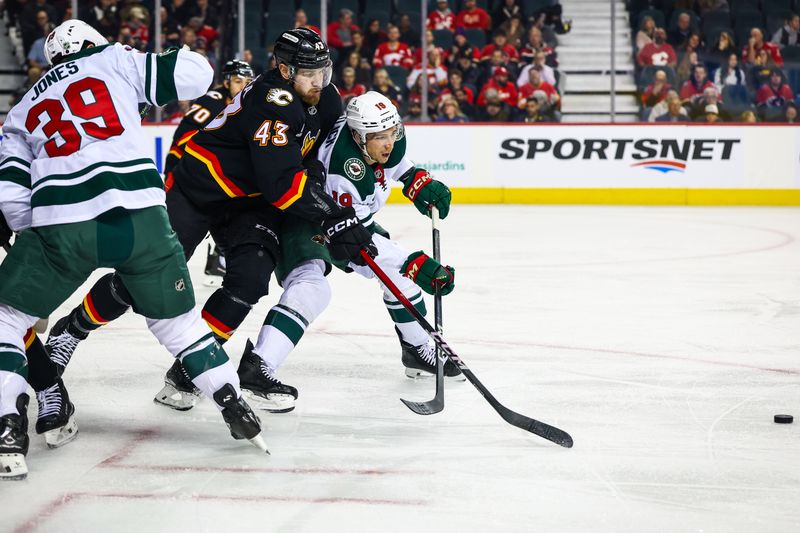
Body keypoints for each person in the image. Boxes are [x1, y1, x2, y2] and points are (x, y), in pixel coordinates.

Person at [44, 28, 375, 413]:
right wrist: (334, 215)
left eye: (323, 72)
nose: (319, 81)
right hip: (200, 190)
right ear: (285, 71)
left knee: (249, 281)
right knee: (143, 277)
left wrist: (324, 191)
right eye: (309, 74)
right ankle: (71, 330)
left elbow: (314, 156)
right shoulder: (273, 100)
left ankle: (188, 372)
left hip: (250, 204)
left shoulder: (327, 98)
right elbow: (282, 186)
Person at [0, 20, 265, 480]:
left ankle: (8, 424)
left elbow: (12, 197)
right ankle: (233, 404)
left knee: (7, 318)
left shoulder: (22, 109)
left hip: (64, 223)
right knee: (178, 324)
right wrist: (135, 58)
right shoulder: (113, 59)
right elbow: (196, 73)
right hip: (142, 216)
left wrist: (34, 241)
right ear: (92, 44)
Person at [163, 59, 255, 287]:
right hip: (186, 176)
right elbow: (184, 138)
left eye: (248, 81)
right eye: (238, 81)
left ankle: (219, 259)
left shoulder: (247, 104)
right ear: (226, 82)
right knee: (181, 238)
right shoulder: (212, 101)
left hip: (212, 180)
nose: (244, 86)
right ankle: (157, 280)